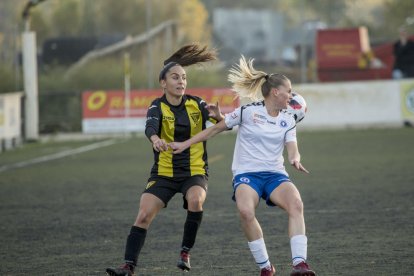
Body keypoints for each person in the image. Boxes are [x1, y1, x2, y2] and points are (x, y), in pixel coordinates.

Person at [170, 56, 316, 276]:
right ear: (275, 92)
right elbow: (214, 129)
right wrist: (185, 144)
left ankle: (300, 264)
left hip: (275, 175)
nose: (292, 95)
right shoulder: (247, 111)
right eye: (289, 90)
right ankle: (266, 267)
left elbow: (292, 145)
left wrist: (295, 158)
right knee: (245, 212)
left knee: (296, 204)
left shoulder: (288, 119)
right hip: (247, 174)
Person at [106, 43, 223, 276]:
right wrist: (155, 139)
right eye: (175, 77)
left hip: (194, 171)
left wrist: (220, 117)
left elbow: (222, 125)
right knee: (143, 215)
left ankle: (185, 252)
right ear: (163, 83)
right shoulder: (156, 106)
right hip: (163, 172)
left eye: (184, 78)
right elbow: (149, 127)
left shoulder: (197, 104)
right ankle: (128, 267)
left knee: (196, 201)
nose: (181, 82)